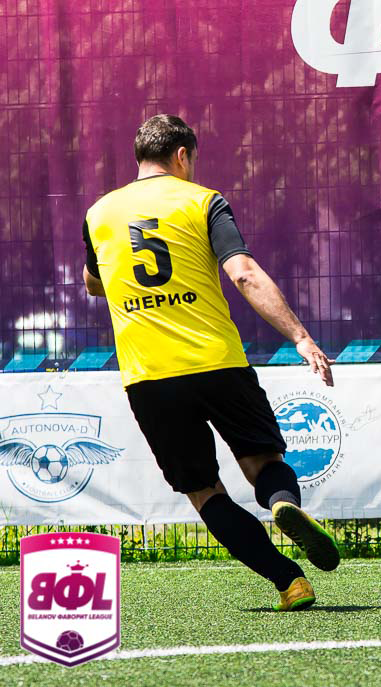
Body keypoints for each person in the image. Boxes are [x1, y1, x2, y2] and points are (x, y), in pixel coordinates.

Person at [82, 114, 341, 610]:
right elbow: (243, 274)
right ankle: (283, 504)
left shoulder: (99, 213)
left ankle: (289, 582)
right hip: (218, 363)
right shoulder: (202, 201)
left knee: (204, 491)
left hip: (150, 377)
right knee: (264, 463)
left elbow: (94, 282)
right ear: (182, 155)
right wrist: (300, 337)